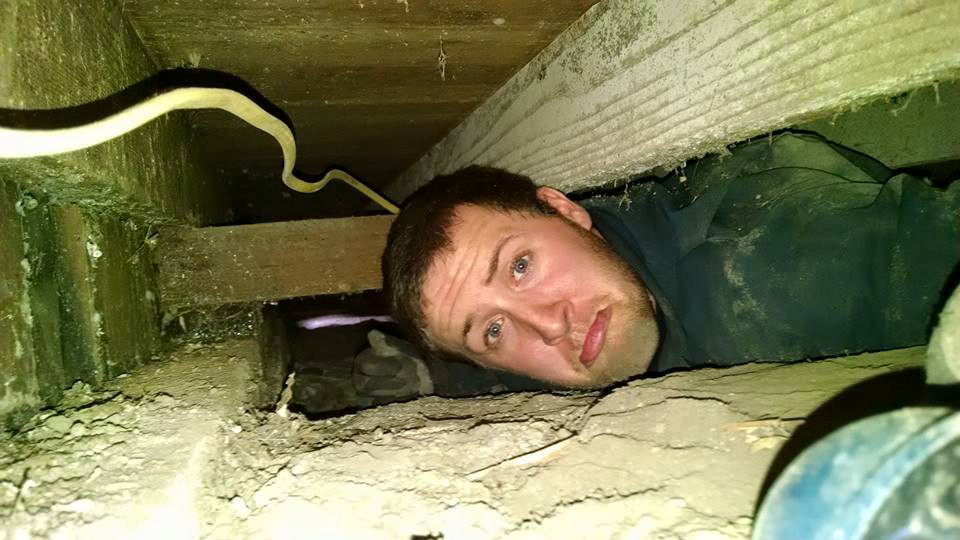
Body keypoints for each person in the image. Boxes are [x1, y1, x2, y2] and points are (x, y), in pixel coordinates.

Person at [361, 132, 960, 398]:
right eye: (492, 330)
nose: (549, 325)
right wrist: (428, 375)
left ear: (566, 211)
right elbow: (489, 374)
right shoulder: (546, 346)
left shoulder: (765, 253)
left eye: (520, 267)